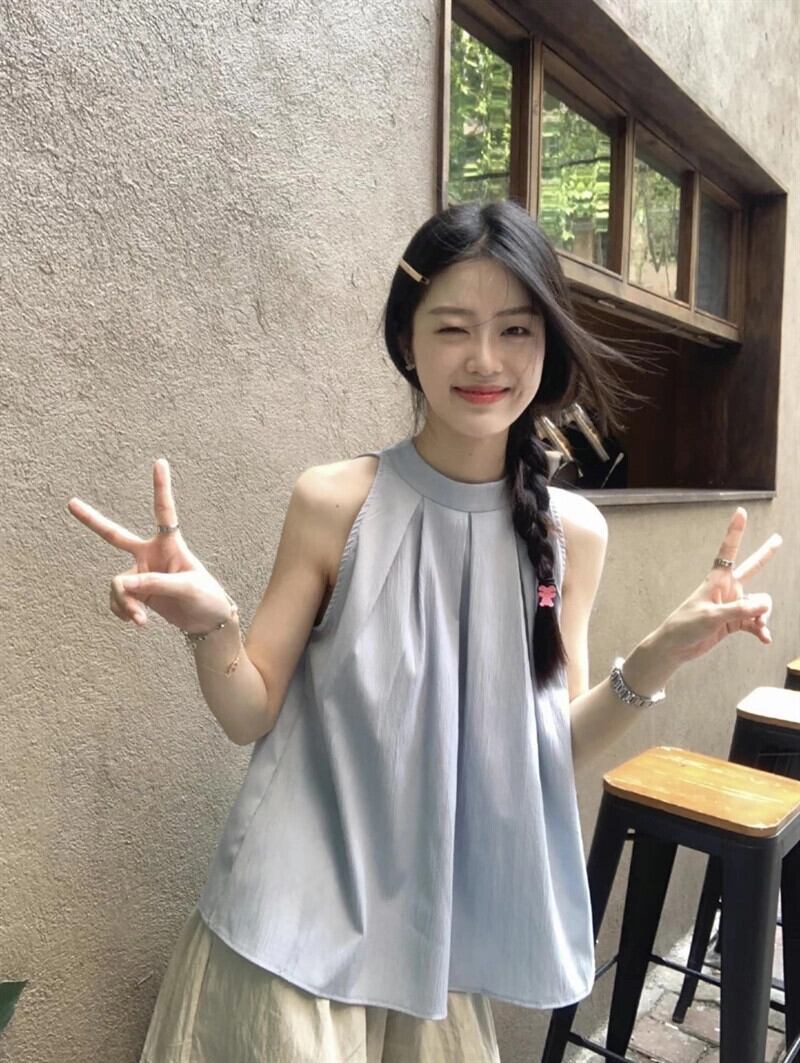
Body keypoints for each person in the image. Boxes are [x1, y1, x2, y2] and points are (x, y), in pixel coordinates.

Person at [67, 199, 782, 1063]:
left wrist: (663, 652)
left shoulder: (572, 535)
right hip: (289, 943)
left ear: (547, 345)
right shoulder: (336, 501)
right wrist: (211, 623)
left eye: (515, 329)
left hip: (434, 958)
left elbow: (547, 753)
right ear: (407, 340)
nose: (484, 359)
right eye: (453, 327)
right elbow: (250, 713)